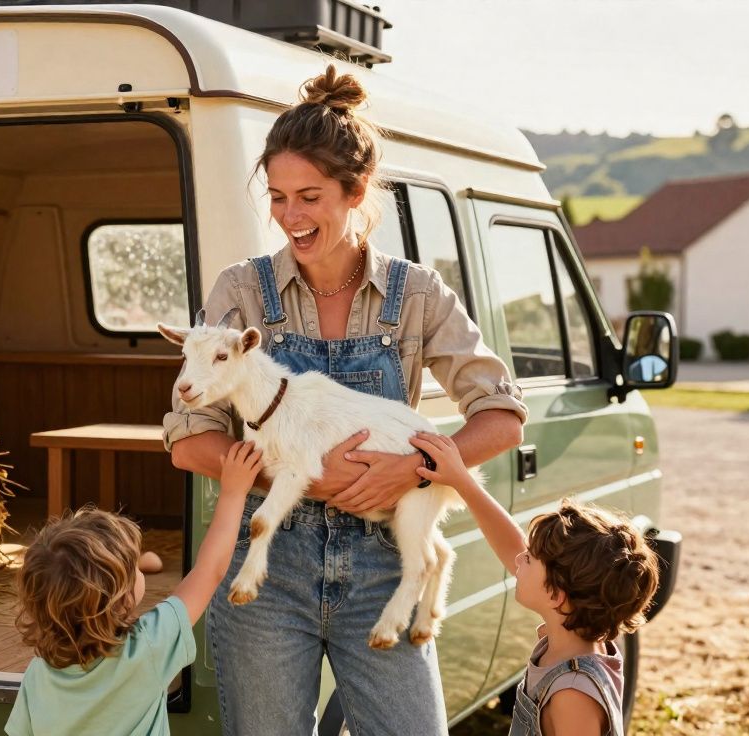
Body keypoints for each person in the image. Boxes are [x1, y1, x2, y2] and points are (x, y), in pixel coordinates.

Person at [163, 64, 528, 734]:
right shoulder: (240, 292)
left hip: (384, 571)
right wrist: (305, 475)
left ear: (356, 191)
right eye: (276, 197)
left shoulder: (417, 294)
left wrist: (419, 467)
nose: (290, 218)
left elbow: (502, 418)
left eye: (309, 197)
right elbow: (190, 442)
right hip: (269, 579)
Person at [5, 442, 263, 736]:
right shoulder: (147, 647)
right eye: (134, 568)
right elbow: (210, 570)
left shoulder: (39, 674)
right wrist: (232, 491)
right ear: (122, 599)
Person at [411, 431, 659, 736]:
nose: (518, 560)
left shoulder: (573, 693)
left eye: (529, 558)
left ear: (556, 595)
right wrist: (462, 481)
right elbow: (510, 543)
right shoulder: (571, 641)